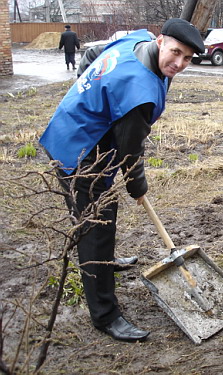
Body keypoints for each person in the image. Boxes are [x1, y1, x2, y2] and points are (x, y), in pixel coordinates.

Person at [39, 19, 205, 342]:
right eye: (175, 53)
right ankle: (105, 315)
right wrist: (138, 187)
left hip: (80, 134)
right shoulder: (138, 93)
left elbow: (91, 57)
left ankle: (105, 261)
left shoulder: (138, 40)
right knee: (95, 227)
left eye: (187, 58)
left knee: (104, 213)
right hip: (77, 152)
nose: (180, 63)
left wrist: (87, 99)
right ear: (161, 41)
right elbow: (131, 155)